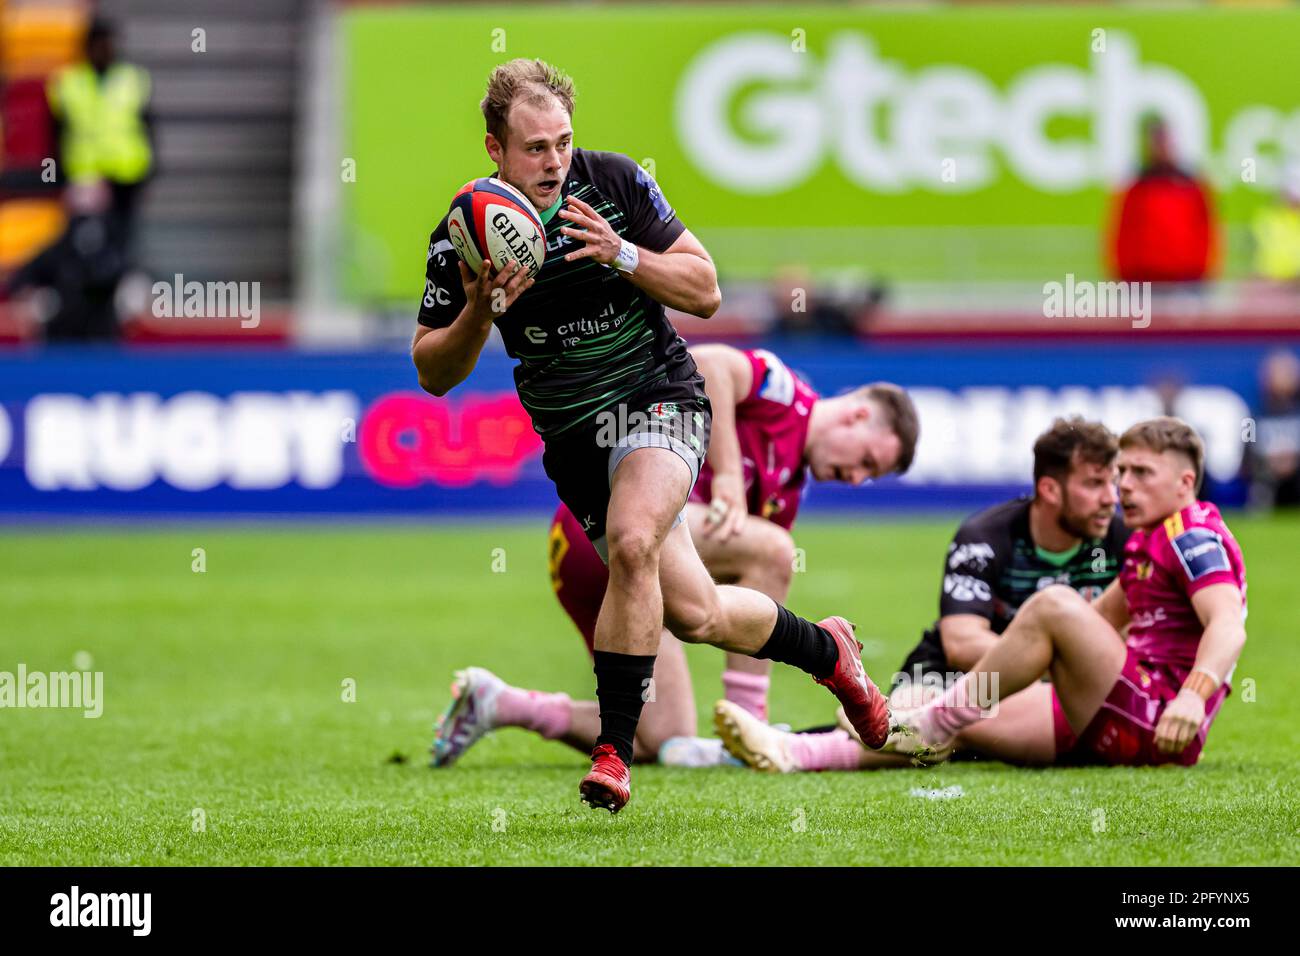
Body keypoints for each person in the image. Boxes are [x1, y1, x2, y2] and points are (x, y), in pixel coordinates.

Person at [411, 59, 890, 813]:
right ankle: (829, 652)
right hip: (575, 439)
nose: (553, 162)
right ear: (494, 150)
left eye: (563, 142)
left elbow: (706, 290)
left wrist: (622, 254)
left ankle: (614, 752)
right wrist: (478, 308)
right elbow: (434, 371)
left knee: (634, 541)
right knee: (699, 613)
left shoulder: (616, 185)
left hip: (657, 397)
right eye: (535, 148)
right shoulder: (463, 233)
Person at [430, 344, 918, 768]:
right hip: (601, 530)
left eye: (868, 478)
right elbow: (709, 365)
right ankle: (752, 722)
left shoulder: (787, 489)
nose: (856, 479)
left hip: (608, 569)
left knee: (661, 738)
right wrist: (726, 473)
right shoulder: (786, 394)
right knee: (774, 550)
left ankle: (499, 704)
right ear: (856, 416)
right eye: (867, 463)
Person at [717, 417, 1132, 772]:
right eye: (1095, 485)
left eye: (1112, 484)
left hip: (1049, 690)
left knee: (933, 723)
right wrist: (1046, 662)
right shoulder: (986, 536)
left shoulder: (1123, 541)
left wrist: (1065, 665)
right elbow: (962, 642)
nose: (1110, 499)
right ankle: (806, 743)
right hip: (960, 673)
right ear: (1050, 490)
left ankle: (795, 747)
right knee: (940, 709)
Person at [882, 417, 1245, 769]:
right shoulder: (1150, 540)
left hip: (1156, 716)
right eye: (1122, 474)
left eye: (1141, 473)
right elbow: (1097, 621)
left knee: (1051, 606)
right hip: (1118, 703)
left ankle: (926, 720)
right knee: (911, 720)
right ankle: (845, 740)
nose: (1120, 490)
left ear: (1185, 483)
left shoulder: (1189, 537)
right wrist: (1053, 655)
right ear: (1049, 490)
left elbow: (1228, 624)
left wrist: (1193, 695)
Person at [47, 18, 154, 244]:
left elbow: (147, 125)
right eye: (99, 44)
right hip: (86, 175)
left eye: (108, 43)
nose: (104, 49)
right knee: (87, 240)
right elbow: (56, 133)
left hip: (127, 173)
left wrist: (149, 169)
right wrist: (58, 175)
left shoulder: (132, 79)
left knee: (123, 238)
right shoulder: (68, 82)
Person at [1107, 115, 1217, 286]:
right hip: (1143, 278)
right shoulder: (1137, 186)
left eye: (1166, 141)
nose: (1163, 148)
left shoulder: (1191, 186)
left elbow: (1207, 231)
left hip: (1186, 278)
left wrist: (1203, 271)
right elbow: (1123, 232)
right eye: (1158, 142)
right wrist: (1123, 274)